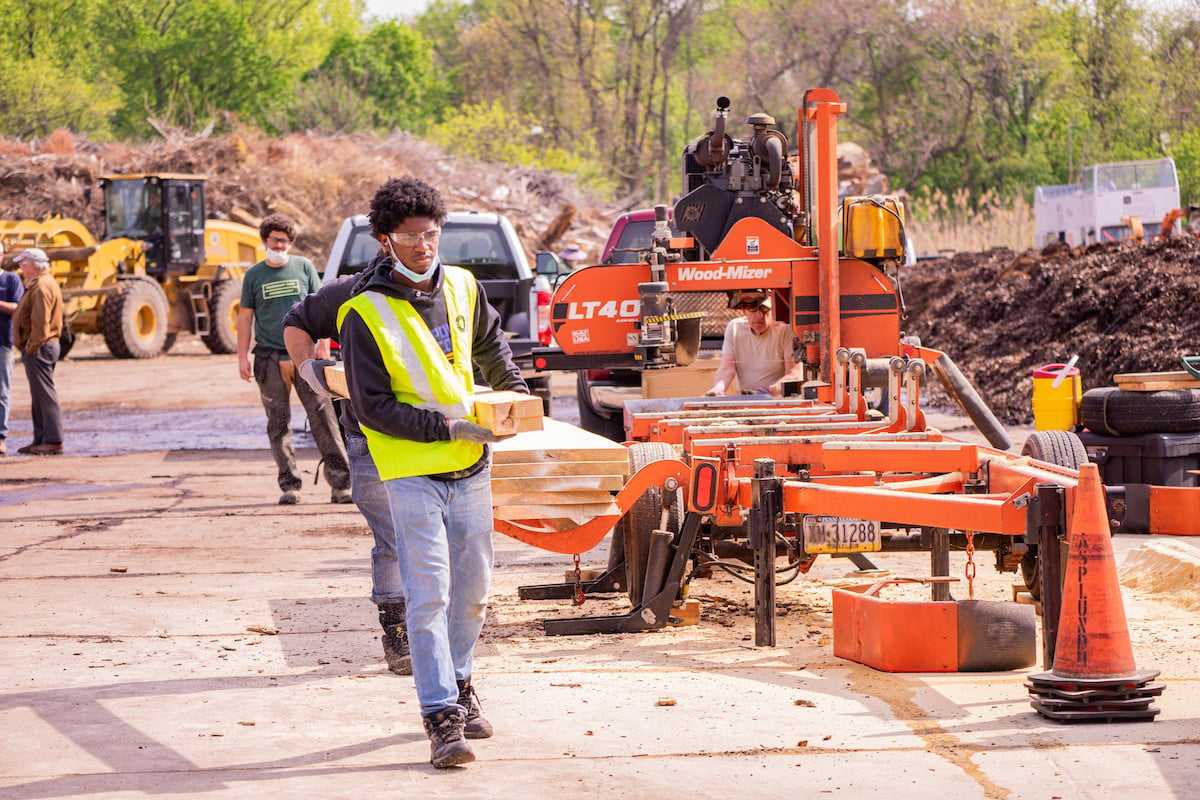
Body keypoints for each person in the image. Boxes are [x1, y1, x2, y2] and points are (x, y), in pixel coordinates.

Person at [336, 176, 527, 768]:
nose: (425, 244)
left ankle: (463, 680)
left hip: (471, 467)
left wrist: (513, 394)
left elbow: (491, 349)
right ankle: (441, 714)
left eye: (432, 232)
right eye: (412, 236)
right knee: (429, 594)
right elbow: (372, 407)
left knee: (472, 596)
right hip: (411, 470)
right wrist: (447, 429)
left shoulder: (466, 286)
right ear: (386, 241)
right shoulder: (362, 311)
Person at [281, 264, 411, 676]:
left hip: (432, 439)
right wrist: (309, 372)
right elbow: (296, 323)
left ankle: (434, 629)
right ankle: (398, 630)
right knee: (394, 538)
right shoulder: (351, 292)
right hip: (368, 437)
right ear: (385, 241)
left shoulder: (447, 292)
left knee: (442, 540)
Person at [237, 214, 351, 506]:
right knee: (278, 423)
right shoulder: (254, 276)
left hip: (306, 357)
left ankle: (341, 484)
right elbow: (245, 316)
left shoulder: (304, 267)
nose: (281, 246)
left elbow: (322, 307)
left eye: (286, 241)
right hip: (269, 357)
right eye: (276, 241)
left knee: (324, 419)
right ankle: (290, 485)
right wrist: (241, 357)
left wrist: (323, 347)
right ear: (266, 241)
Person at [11, 248, 63, 455]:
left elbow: (40, 324)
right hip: (40, 346)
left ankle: (53, 440)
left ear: (35, 265)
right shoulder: (39, 284)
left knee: (44, 394)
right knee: (39, 394)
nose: (21, 267)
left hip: (40, 346)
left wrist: (31, 347)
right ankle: (41, 439)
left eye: (24, 263)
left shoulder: (42, 287)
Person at [706, 290, 799, 397]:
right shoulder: (734, 328)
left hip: (776, 400)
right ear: (744, 311)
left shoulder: (785, 332)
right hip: (746, 399)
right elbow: (727, 368)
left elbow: (793, 374)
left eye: (765, 310)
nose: (759, 316)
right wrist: (718, 389)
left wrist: (766, 392)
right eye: (753, 310)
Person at [0, 241, 25, 456]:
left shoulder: (11, 280)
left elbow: (18, 308)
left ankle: (1, 437)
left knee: (2, 391)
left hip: (3, 343)